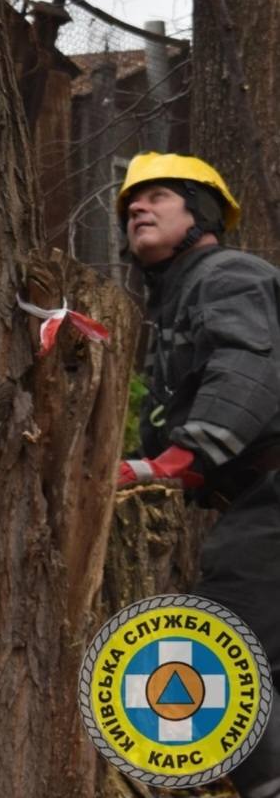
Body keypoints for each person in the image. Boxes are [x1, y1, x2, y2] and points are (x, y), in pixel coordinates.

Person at [117, 152, 280, 797]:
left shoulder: (229, 275)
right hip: (258, 499)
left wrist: (181, 459)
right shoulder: (177, 301)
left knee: (217, 653)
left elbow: (248, 366)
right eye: (130, 203)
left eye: (157, 195)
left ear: (202, 211)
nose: (137, 206)